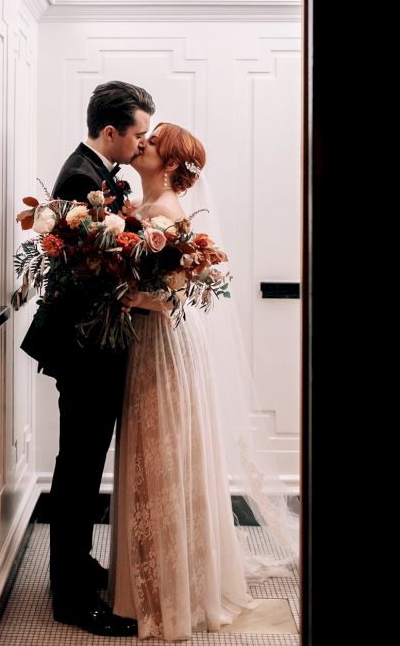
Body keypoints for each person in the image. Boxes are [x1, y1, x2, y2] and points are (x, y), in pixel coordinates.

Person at [109, 122, 298, 641]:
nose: (142, 142)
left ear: (170, 164)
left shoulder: (168, 213)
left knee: (166, 458)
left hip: (167, 345)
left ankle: (173, 593)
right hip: (147, 346)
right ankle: (151, 581)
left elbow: (179, 296)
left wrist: (135, 298)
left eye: (153, 141)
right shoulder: (142, 212)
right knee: (152, 456)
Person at [30, 80, 155, 637]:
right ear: (111, 131)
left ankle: (76, 567)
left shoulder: (96, 173)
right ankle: (72, 600)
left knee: (81, 466)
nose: (140, 144)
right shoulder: (83, 178)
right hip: (84, 347)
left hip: (91, 343)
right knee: (78, 470)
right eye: (138, 134)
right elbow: (88, 277)